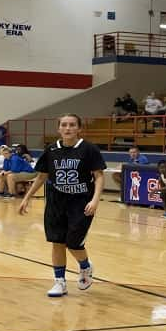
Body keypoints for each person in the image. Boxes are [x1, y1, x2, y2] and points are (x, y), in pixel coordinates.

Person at [18, 114, 105, 297]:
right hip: (56, 201)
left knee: (73, 243)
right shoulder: (51, 150)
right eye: (64, 125)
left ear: (79, 128)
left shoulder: (88, 149)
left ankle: (85, 266)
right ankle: (60, 282)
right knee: (57, 242)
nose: (68, 128)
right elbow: (42, 176)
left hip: (81, 201)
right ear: (59, 129)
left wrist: (95, 200)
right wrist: (27, 197)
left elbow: (98, 176)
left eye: (72, 125)